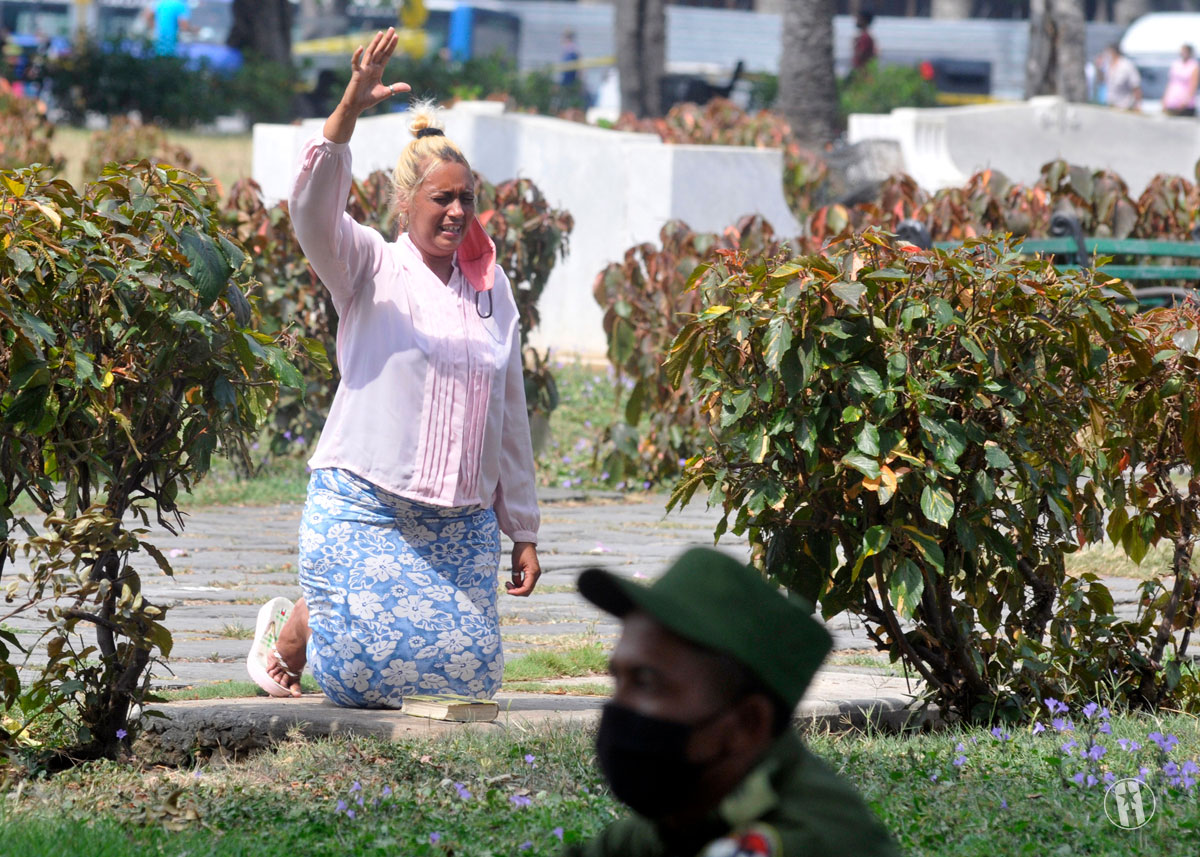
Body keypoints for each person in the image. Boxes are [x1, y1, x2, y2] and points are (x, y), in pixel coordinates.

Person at [245, 28, 543, 708]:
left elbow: (510, 415)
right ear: (405, 204)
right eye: (442, 199)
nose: (458, 211)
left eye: (466, 198)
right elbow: (312, 206)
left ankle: (322, 609)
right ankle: (294, 626)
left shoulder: (492, 291)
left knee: (470, 681)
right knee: (361, 683)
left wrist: (522, 528)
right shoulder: (368, 265)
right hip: (365, 506)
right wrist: (352, 100)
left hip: (458, 520)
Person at [563, 547, 901, 857]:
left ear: (747, 723)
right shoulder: (697, 809)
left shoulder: (804, 840)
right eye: (618, 679)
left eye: (647, 682)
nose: (618, 707)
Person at [1163, 43, 1199, 117]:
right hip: (1172, 100)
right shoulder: (1176, 64)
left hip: (1186, 104)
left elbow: (1194, 85)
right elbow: (1171, 83)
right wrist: (1165, 98)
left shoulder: (1194, 65)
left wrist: (1186, 101)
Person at [1104, 43, 1142, 112]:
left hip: (1125, 106)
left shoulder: (1126, 65)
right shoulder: (1108, 65)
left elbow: (1136, 86)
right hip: (1111, 104)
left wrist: (1138, 104)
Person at [852, 10, 877, 75]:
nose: (856, 20)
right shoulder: (863, 36)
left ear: (864, 20)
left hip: (862, 73)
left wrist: (854, 45)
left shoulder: (865, 37)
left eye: (859, 18)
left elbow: (861, 55)